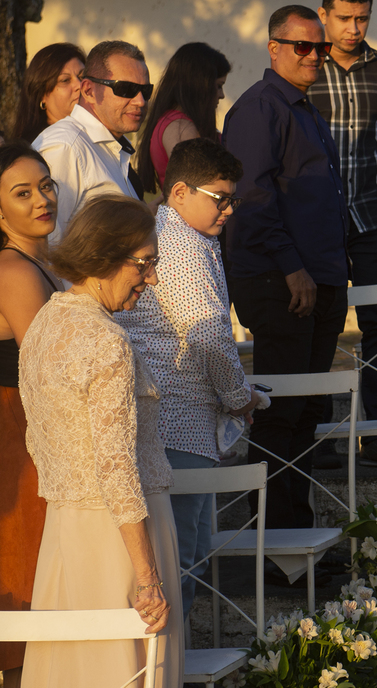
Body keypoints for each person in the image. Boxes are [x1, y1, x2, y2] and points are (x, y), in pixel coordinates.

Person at [19, 195, 181, 688]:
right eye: (145, 263)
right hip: (122, 540)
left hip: (66, 534)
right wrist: (147, 578)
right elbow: (117, 469)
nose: (152, 278)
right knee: (125, 671)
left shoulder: (47, 323)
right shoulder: (106, 342)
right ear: (106, 258)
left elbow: (40, 440)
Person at [119, 138, 266, 619]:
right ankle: (167, 668)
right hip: (174, 416)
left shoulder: (186, 234)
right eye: (219, 198)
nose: (227, 209)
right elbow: (205, 333)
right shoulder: (179, 244)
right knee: (180, 558)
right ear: (179, 192)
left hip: (186, 415)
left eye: (232, 199)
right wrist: (240, 396)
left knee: (194, 554)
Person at [223, 4, 349, 531]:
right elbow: (250, 201)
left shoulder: (305, 108)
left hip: (317, 277)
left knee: (309, 411)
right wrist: (294, 268)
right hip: (281, 282)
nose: (315, 56)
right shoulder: (258, 109)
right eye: (303, 46)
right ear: (274, 49)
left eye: (320, 48)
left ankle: (298, 532)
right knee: (281, 413)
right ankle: (275, 540)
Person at [310, 0, 377, 470]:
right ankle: (320, 438)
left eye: (363, 18)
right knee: (320, 324)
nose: (354, 28)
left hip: (374, 216)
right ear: (325, 14)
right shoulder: (307, 66)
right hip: (322, 222)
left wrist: (372, 182)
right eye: (345, 18)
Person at [0, 144, 61, 688]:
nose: (42, 199)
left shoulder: (43, 260)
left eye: (45, 185)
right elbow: (47, 370)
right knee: (24, 578)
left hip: (29, 429)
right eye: (23, 193)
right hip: (16, 433)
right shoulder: (13, 269)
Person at [32, 40, 151, 240]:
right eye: (126, 89)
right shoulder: (65, 147)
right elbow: (48, 246)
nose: (140, 101)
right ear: (88, 91)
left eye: (145, 91)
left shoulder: (112, 146)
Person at [133, 42, 231, 196]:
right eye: (219, 86)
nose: (221, 95)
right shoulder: (180, 128)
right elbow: (199, 190)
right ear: (200, 85)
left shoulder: (170, 121)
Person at [12, 43, 86, 144]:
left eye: (83, 76)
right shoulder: (49, 145)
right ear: (42, 95)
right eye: (65, 80)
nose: (80, 85)